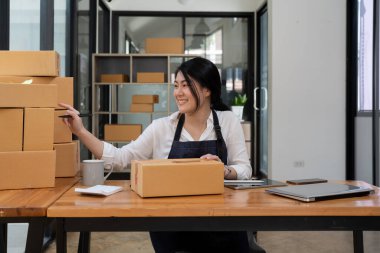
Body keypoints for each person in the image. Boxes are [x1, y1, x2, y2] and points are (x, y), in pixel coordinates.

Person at [60, 57, 252, 252]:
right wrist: (80, 132)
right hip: (172, 225)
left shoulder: (228, 121)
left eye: (186, 86)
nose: (178, 93)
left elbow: (245, 169)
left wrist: (223, 170)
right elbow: (120, 159)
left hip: (220, 221)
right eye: (176, 86)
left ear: (207, 89)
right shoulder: (161, 128)